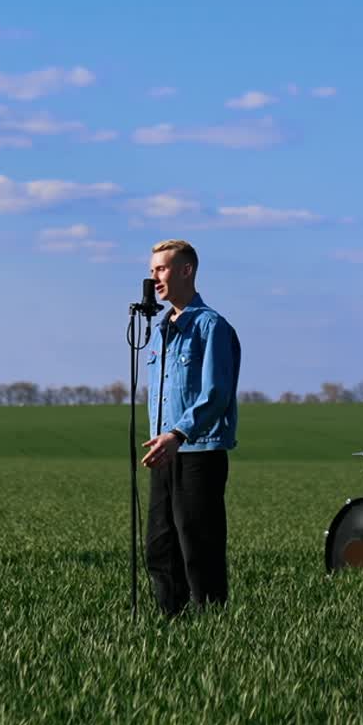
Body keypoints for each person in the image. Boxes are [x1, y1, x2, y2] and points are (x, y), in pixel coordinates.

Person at [142, 239, 241, 616]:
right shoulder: (161, 330)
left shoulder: (210, 326)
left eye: (161, 270)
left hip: (199, 451)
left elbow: (216, 392)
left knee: (198, 545)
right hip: (164, 453)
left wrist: (178, 434)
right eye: (152, 271)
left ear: (186, 270)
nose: (154, 278)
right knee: (159, 544)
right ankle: (171, 622)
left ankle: (210, 624)